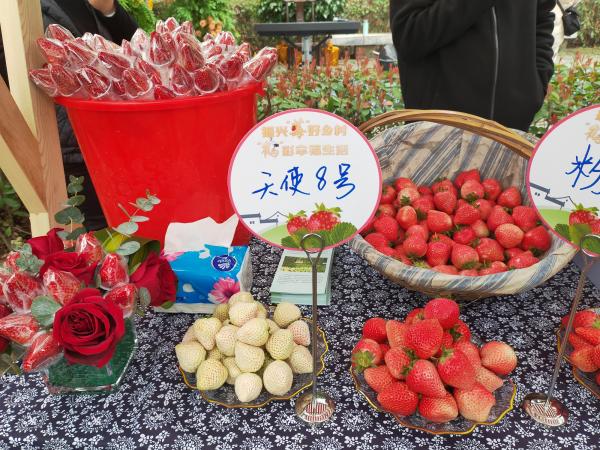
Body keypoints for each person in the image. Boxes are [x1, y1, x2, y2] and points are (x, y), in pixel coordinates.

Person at [0, 0, 138, 230]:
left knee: (133, 233)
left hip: (118, 144)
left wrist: (108, 10)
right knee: (92, 241)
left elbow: (137, 49)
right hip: (69, 156)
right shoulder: (15, 9)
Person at [389, 0, 556, 131]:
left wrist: (534, 88)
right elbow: (409, 34)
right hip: (438, 136)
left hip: (513, 132)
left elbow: (542, 17)